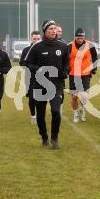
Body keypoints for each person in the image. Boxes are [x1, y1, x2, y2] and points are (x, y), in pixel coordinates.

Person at [25, 20, 69, 149]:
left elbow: (67, 62)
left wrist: (65, 71)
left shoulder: (63, 46)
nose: (53, 31)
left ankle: (54, 138)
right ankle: (44, 137)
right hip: (40, 85)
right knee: (41, 114)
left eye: (55, 28)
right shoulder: (37, 46)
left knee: (56, 111)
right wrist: (38, 70)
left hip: (56, 84)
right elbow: (28, 63)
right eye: (50, 28)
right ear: (45, 31)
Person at [68, 28, 98, 123]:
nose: (80, 40)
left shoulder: (90, 45)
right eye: (78, 38)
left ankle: (82, 108)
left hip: (85, 73)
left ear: (84, 37)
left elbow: (95, 57)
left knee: (84, 96)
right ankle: (75, 113)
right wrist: (65, 69)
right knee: (74, 97)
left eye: (82, 38)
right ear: (75, 37)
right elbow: (65, 58)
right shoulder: (69, 46)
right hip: (73, 74)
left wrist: (94, 68)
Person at [19, 31, 42, 124]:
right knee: (32, 98)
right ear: (31, 39)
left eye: (38, 39)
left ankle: (40, 116)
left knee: (40, 98)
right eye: (34, 38)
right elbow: (22, 63)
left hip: (42, 78)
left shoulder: (44, 50)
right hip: (30, 78)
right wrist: (34, 68)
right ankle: (33, 115)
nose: (36, 40)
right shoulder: (26, 50)